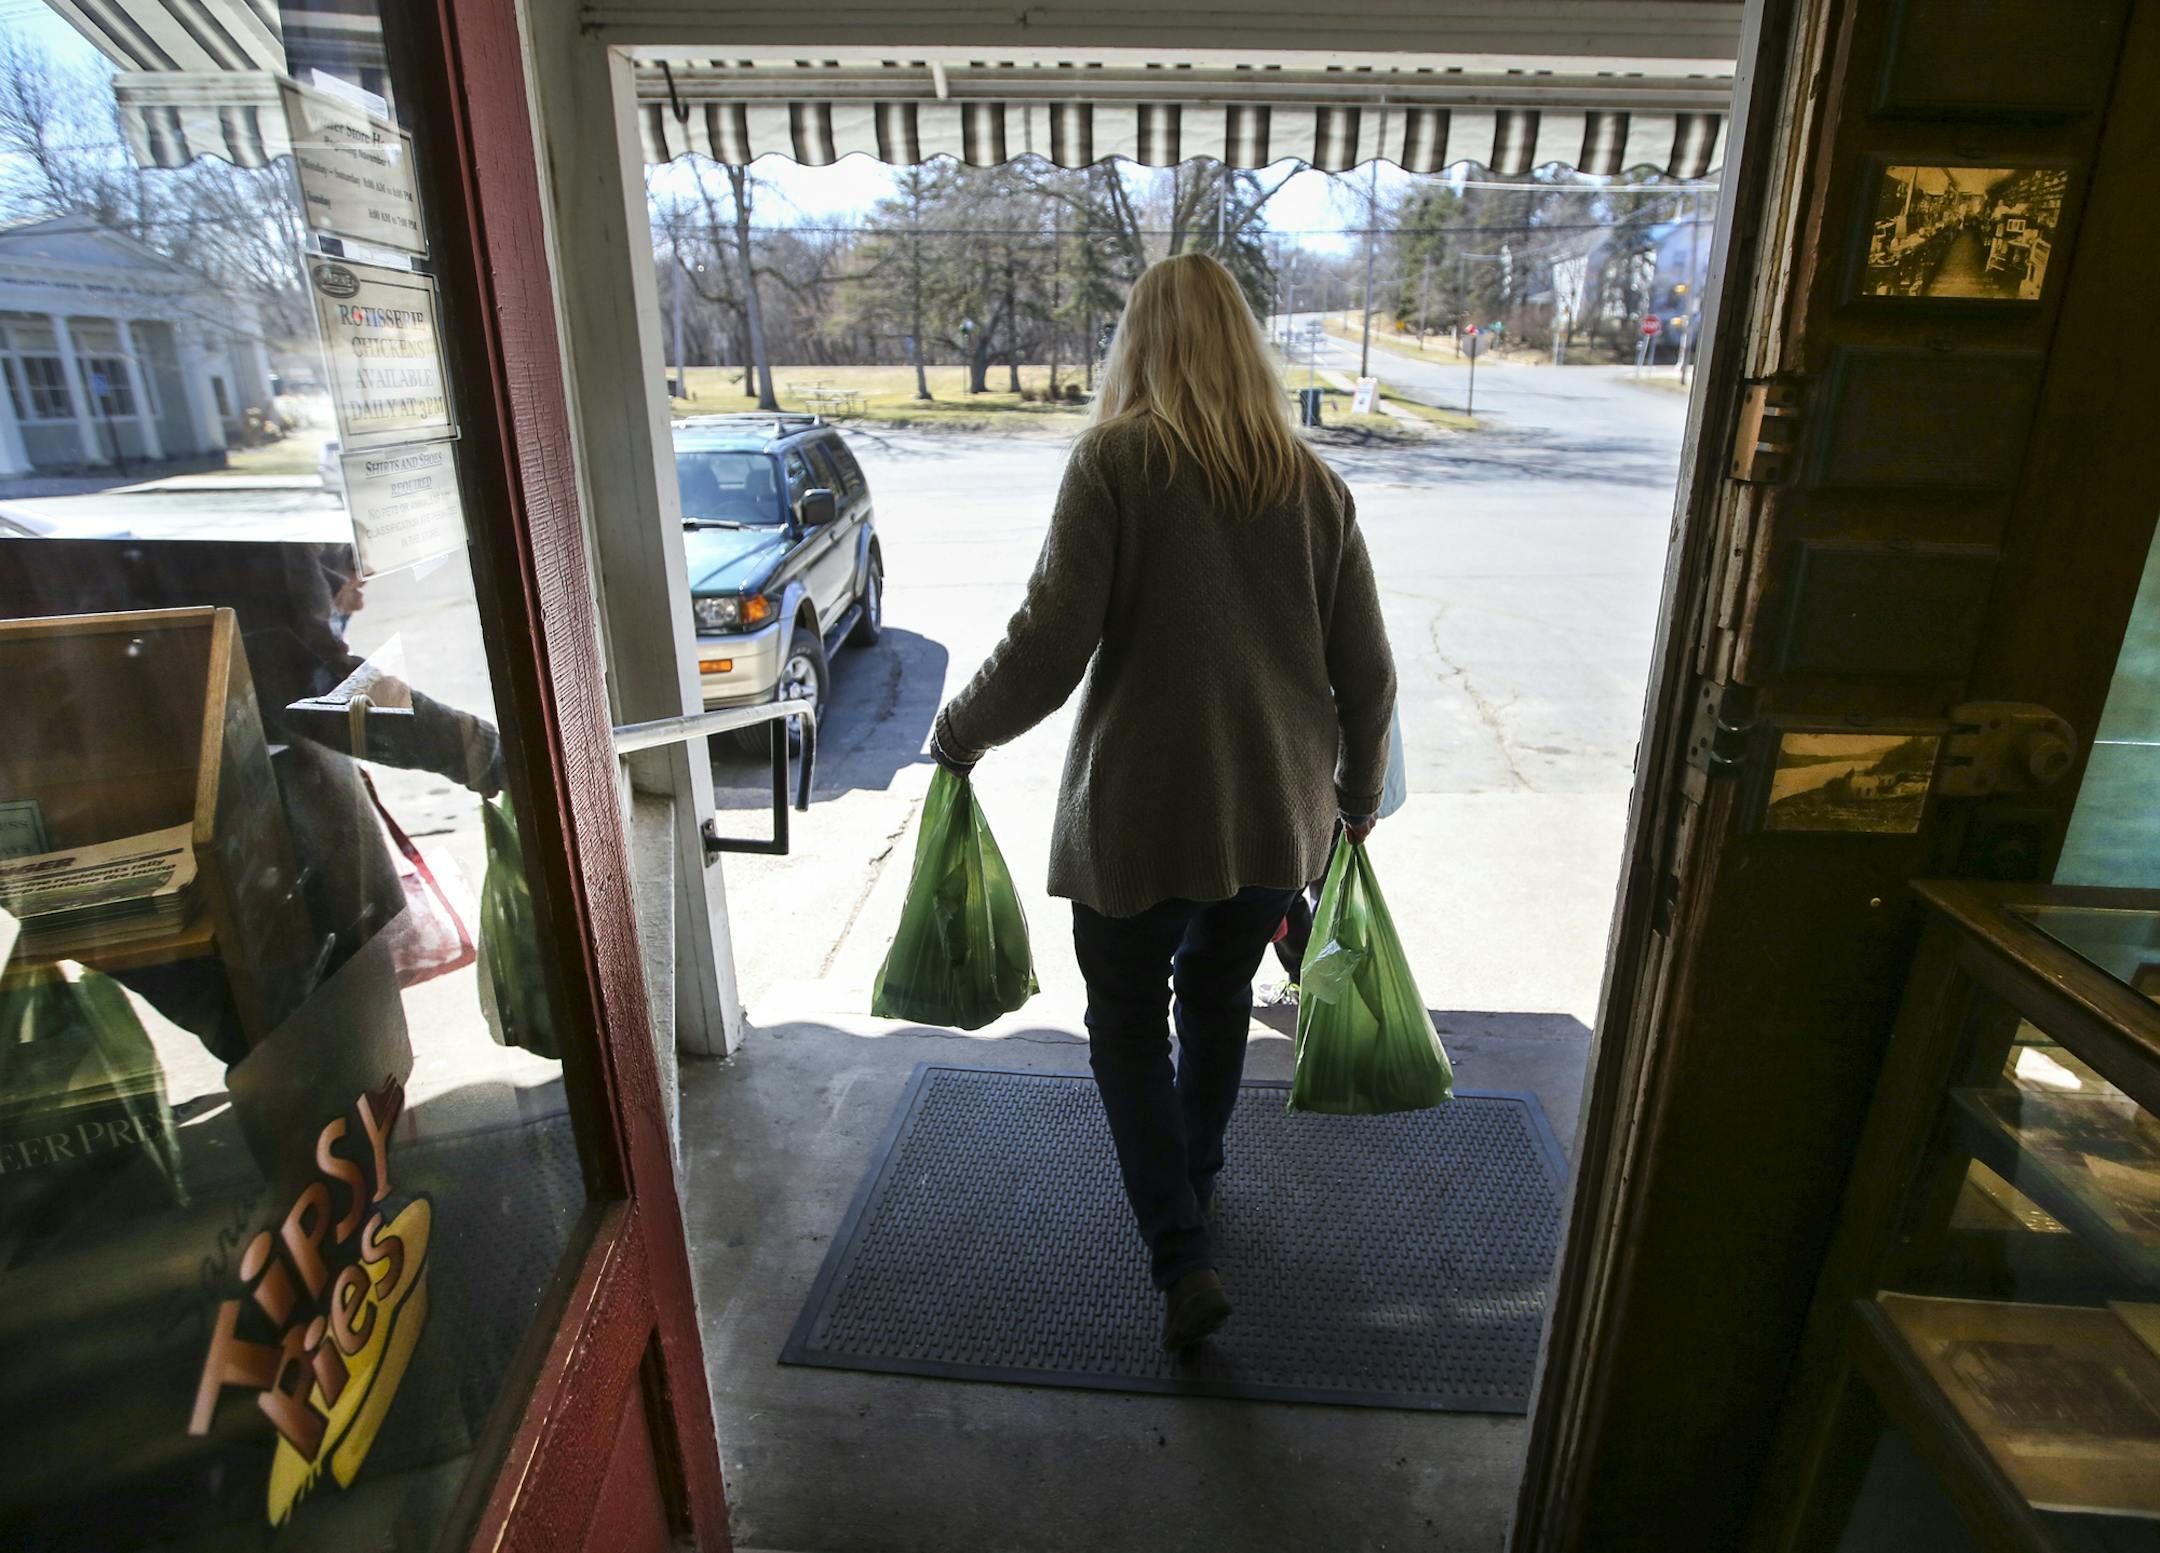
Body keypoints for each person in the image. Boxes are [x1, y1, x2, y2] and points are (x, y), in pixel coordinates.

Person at [929, 253, 1397, 1352]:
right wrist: (1357, 799)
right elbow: (1368, 675)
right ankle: (1198, 1168)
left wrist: (958, 732)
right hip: (1276, 820)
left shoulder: (1116, 463)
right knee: (1221, 988)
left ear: (1136, 345)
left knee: (1129, 1026)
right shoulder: (1316, 486)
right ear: (1244, 345)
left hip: (1136, 819)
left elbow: (1050, 641)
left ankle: (1180, 1249)